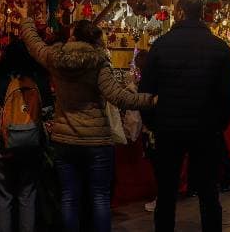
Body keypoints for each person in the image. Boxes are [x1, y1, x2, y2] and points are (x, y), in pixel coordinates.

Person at [20, 19, 156, 232]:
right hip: (96, 141)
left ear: (73, 36)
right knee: (100, 198)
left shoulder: (55, 58)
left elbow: (33, 43)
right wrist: (151, 99)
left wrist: (26, 19)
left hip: (64, 139)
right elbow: (118, 97)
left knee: (69, 197)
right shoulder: (98, 62)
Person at [138, 0, 230, 232]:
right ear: (201, 13)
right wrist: (217, 125)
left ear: (180, 12)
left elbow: (146, 92)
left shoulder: (161, 45)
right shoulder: (219, 48)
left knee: (167, 193)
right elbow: (228, 96)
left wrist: (154, 122)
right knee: (208, 193)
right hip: (206, 129)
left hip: (169, 129)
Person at [0, 40, 54, 232]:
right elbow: (49, 110)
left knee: (4, 199)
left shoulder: (1, 81)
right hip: (32, 146)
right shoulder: (39, 81)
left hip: (4, 147)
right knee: (28, 197)